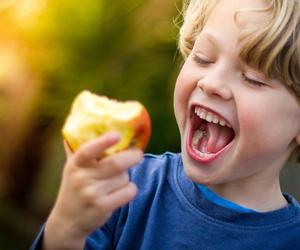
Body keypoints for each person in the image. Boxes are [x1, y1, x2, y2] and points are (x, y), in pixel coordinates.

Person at [31, 0, 300, 249]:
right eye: (202, 58)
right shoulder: (123, 189)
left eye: (253, 78)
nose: (211, 82)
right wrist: (66, 227)